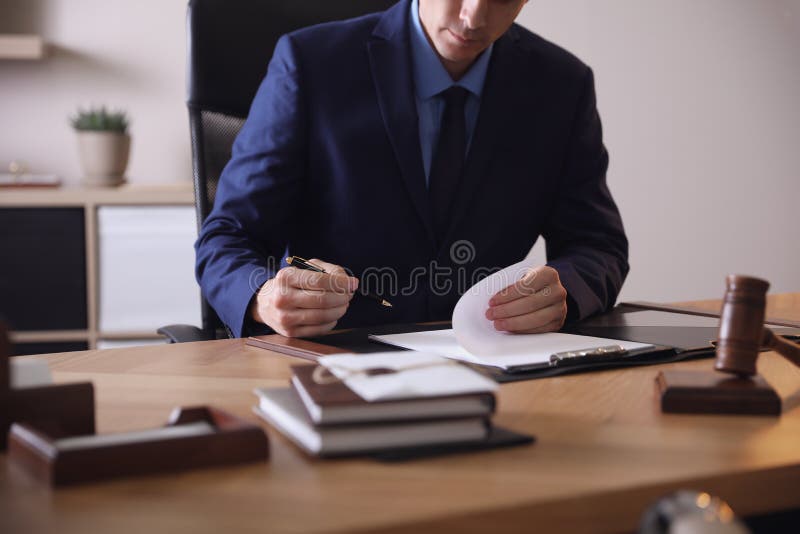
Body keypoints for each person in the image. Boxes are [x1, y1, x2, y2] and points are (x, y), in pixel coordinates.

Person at [195, 0, 629, 339]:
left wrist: (566, 290)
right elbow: (226, 238)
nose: (473, 17)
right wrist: (264, 296)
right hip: (332, 357)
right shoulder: (309, 64)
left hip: (492, 360)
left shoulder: (561, 86)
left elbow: (597, 244)